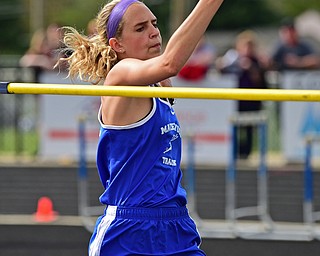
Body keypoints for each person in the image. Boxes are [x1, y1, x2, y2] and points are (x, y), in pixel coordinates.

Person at [57, 0, 225, 255]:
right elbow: (170, 63)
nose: (153, 31)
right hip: (128, 231)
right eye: (140, 28)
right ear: (117, 44)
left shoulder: (160, 87)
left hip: (175, 225)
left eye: (154, 24)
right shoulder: (120, 76)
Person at [217, 30, 268, 159]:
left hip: (252, 100)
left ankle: (247, 153)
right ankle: (235, 151)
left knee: (250, 129)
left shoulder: (257, 62)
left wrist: (251, 68)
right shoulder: (233, 59)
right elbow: (220, 68)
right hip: (235, 100)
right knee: (234, 128)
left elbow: (260, 80)